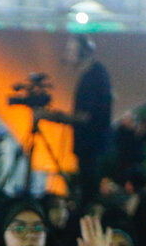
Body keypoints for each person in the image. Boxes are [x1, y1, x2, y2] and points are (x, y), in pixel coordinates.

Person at [43, 34, 112, 205]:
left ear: (84, 51)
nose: (67, 54)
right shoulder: (96, 74)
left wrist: (52, 116)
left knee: (90, 196)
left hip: (91, 148)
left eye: (71, 49)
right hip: (91, 148)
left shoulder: (93, 77)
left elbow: (84, 116)